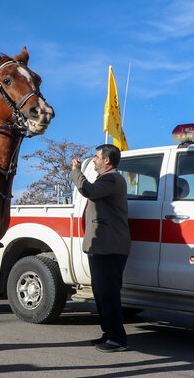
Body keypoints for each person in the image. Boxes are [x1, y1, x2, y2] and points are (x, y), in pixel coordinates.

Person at [71, 144, 131, 353]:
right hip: (102, 247)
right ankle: (108, 334)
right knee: (101, 293)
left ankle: (117, 339)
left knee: (108, 294)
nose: (93, 160)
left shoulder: (112, 179)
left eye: (96, 156)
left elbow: (88, 190)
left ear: (107, 160)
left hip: (110, 247)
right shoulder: (107, 179)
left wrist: (76, 171)